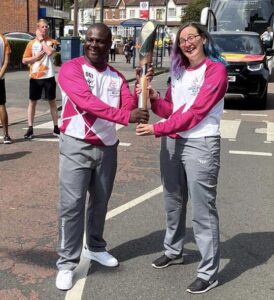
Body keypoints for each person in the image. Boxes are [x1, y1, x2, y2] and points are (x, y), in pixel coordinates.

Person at [55, 23, 150, 291]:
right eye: (90, 40)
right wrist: (126, 116)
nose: (94, 45)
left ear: (110, 46)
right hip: (76, 144)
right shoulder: (71, 69)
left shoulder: (117, 77)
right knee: (71, 205)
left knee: (100, 202)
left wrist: (140, 88)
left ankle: (95, 247)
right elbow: (86, 102)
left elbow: (127, 106)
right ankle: (65, 263)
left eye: (100, 41)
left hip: (107, 147)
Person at [136, 22, 228, 294]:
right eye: (182, 40)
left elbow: (195, 113)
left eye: (191, 37)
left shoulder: (216, 70)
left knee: (203, 210)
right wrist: (153, 99)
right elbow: (172, 110)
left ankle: (208, 272)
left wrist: (156, 129)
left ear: (203, 39)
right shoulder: (177, 72)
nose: (187, 43)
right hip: (173, 142)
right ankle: (174, 250)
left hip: (201, 143)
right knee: (173, 201)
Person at [22, 19, 60, 139]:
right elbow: (24, 60)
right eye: (43, 27)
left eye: (47, 27)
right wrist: (35, 58)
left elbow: (49, 52)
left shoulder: (52, 41)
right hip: (35, 76)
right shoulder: (31, 43)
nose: (45, 28)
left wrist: (42, 40)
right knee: (32, 102)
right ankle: (30, 128)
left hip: (48, 76)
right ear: (38, 27)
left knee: (52, 102)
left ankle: (56, 127)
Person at [0, 33, 12, 144]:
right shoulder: (3, 39)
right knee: (1, 104)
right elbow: (6, 62)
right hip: (0, 77)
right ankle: (6, 135)